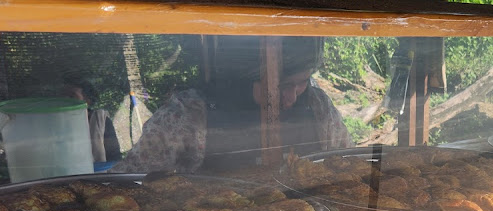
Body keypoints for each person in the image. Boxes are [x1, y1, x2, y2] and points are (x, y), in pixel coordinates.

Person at [112, 36, 353, 177]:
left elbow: (348, 165)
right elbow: (133, 179)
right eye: (279, 86)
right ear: (244, 78)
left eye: (301, 83)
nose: (291, 97)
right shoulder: (188, 114)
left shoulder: (318, 105)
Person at [63, 79, 122, 163]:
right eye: (63, 95)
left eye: (72, 96)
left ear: (87, 100)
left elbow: (114, 157)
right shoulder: (58, 124)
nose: (65, 100)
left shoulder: (101, 121)